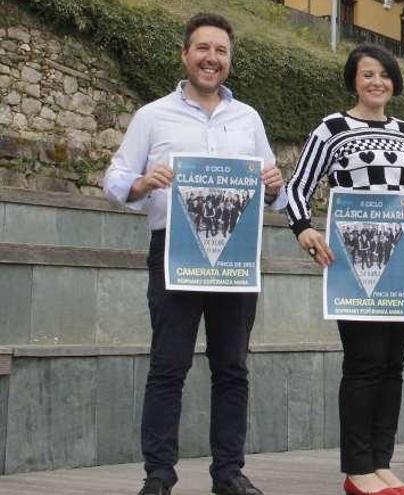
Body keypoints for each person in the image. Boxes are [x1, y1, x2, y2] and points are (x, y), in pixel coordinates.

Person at [103, 13, 286, 495]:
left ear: (230, 60)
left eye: (221, 51)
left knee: (233, 369)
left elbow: (276, 194)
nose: (212, 58)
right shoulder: (152, 116)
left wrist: (274, 186)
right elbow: (115, 179)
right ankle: (159, 476)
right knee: (168, 367)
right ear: (185, 54)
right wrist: (143, 183)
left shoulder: (248, 118)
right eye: (203, 49)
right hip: (174, 251)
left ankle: (228, 473)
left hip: (236, 256)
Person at [285, 44, 404, 495]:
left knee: (393, 366)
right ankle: (357, 468)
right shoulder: (332, 129)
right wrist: (304, 230)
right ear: (354, 79)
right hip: (355, 262)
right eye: (367, 74)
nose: (376, 82)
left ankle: (380, 461)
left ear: (394, 82)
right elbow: (297, 187)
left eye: (384, 75)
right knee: (364, 363)